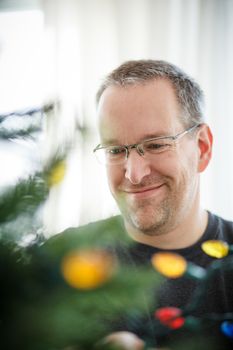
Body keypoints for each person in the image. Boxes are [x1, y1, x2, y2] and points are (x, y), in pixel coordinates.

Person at [92, 60, 233, 348]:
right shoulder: (57, 269)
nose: (134, 173)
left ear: (202, 148)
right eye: (116, 150)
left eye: (156, 144)